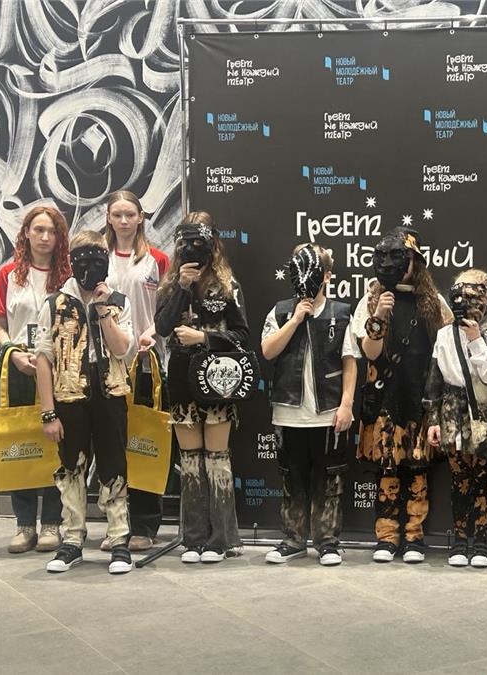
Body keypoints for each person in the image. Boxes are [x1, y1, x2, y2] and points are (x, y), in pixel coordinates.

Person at [35, 231, 134, 574]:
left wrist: (104, 311)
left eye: (98, 258)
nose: (90, 266)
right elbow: (43, 360)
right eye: (82, 258)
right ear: (70, 261)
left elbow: (122, 349)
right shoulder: (53, 304)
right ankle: (72, 539)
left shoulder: (119, 301)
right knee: (71, 466)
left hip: (110, 394)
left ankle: (119, 539)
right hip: (68, 396)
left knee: (114, 464)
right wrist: (48, 412)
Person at [352, 227, 452, 564]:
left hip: (419, 396)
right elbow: (369, 353)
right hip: (384, 398)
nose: (396, 265)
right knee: (387, 468)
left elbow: (445, 352)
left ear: (415, 261)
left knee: (418, 469)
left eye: (403, 258)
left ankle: (414, 536)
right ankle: (386, 536)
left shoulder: (434, 302)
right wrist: (380, 315)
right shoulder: (371, 299)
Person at [154, 212, 248, 563]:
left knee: (217, 459)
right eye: (185, 243)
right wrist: (181, 286)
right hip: (181, 377)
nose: (192, 249)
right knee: (190, 461)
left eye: (199, 242)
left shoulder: (227, 285)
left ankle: (222, 539)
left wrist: (204, 338)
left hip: (217, 378)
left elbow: (242, 336)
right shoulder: (169, 285)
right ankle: (193, 538)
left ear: (212, 244)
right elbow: (162, 327)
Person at [261, 243, 359, 566]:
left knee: (329, 482)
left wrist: (346, 404)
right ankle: (292, 539)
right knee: (292, 479)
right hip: (288, 413)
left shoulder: (341, 313)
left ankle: (328, 542)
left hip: (328, 413)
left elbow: (349, 362)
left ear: (327, 276)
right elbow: (268, 351)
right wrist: (294, 320)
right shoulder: (280, 311)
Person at [0, 206, 72, 554]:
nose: (44, 237)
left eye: (52, 231)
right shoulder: (8, 274)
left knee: (57, 443)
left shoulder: (68, 276)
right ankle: (24, 524)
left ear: (59, 238)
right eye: (38, 230)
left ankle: (52, 523)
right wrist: (12, 350)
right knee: (21, 440)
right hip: (19, 365)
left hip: (59, 367)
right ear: (26, 232)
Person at [424, 269, 487, 568]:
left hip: (484, 410)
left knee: (483, 474)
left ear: (485, 298)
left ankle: (481, 542)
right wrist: (433, 419)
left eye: (471, 296)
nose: (463, 302)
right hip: (451, 408)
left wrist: (475, 339)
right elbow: (434, 379)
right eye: (458, 295)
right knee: (459, 474)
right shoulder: (444, 334)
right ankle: (460, 539)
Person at [103, 190, 169, 552]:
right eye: (118, 215)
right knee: (112, 445)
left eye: (130, 214)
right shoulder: (99, 258)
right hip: (107, 364)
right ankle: (117, 524)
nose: (124, 221)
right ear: (109, 218)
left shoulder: (156, 260)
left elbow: (170, 307)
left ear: (141, 217)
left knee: (144, 442)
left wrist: (153, 331)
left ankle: (144, 524)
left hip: (145, 362)